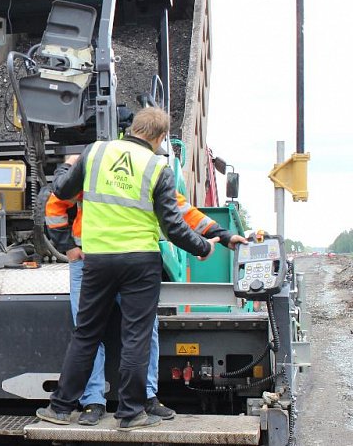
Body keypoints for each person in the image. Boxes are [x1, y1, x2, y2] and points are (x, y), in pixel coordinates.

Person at [36, 108, 217, 431]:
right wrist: (203, 247)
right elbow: (173, 224)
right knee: (137, 335)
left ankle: (61, 407)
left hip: (97, 259)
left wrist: (67, 165)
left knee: (86, 334)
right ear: (161, 138)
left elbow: (60, 191)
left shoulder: (95, 153)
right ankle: (130, 413)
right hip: (139, 261)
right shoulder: (157, 167)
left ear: (131, 128)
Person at [46, 190, 247, 425]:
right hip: (98, 261)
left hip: (121, 263)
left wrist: (219, 235)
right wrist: (67, 246)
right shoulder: (99, 164)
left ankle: (146, 397)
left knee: (141, 329)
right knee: (93, 332)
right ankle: (93, 402)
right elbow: (56, 201)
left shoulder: (127, 166)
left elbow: (180, 209)